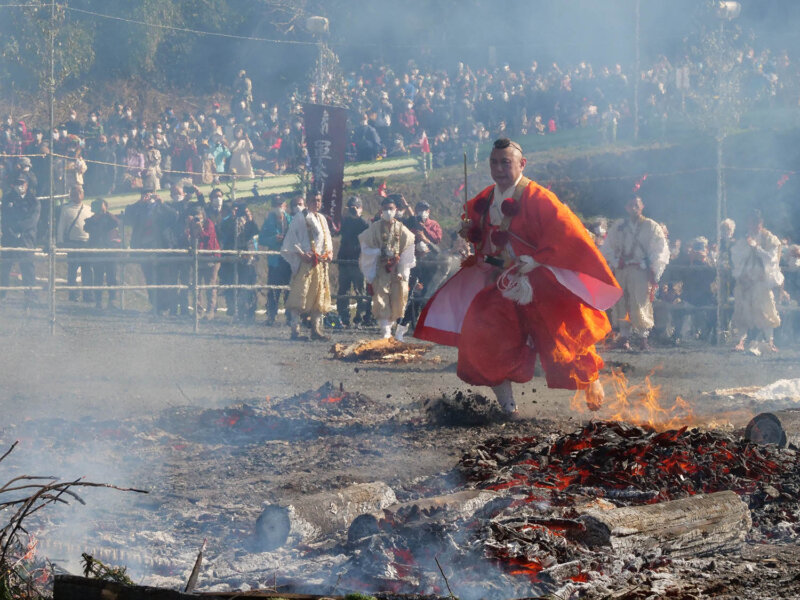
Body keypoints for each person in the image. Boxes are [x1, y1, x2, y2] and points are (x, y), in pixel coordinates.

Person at [414, 138, 621, 417]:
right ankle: (507, 406)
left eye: (505, 162)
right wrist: (469, 230)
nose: (498, 168)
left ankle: (591, 382)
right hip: (501, 282)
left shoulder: (540, 199)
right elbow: (478, 230)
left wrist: (536, 260)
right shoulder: (485, 199)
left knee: (563, 341)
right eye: (494, 162)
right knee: (484, 336)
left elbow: (568, 234)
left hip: (539, 283)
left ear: (522, 164)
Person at [602, 196, 670, 350]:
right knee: (622, 303)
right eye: (630, 205)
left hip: (640, 270)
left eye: (636, 205)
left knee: (640, 303)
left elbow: (660, 249)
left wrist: (650, 265)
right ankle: (624, 337)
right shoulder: (619, 226)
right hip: (622, 270)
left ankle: (643, 339)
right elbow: (607, 247)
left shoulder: (651, 226)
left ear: (642, 207)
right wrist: (614, 260)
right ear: (626, 207)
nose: (634, 208)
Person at [358, 195, 416, 340]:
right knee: (381, 297)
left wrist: (403, 268)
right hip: (381, 269)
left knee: (397, 298)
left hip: (397, 270)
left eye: (391, 209)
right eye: (385, 209)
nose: (388, 212)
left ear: (396, 210)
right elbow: (365, 247)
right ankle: (385, 331)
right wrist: (378, 252)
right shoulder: (374, 228)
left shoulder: (402, 228)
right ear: (380, 211)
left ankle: (395, 331)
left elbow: (409, 247)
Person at [281, 191, 333, 340]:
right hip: (306, 262)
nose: (316, 203)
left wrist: (329, 252)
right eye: (312, 200)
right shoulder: (300, 217)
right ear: (307, 201)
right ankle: (295, 330)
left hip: (320, 263)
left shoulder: (322, 218)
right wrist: (300, 254)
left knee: (319, 297)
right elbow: (291, 239)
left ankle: (315, 330)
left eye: (318, 200)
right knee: (299, 295)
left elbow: (327, 238)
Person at [732, 209, 783, 355]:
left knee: (766, 310)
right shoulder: (744, 239)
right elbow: (737, 257)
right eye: (750, 222)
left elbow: (771, 258)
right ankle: (740, 341)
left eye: (756, 222)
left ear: (761, 223)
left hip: (761, 281)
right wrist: (742, 274)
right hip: (746, 280)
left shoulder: (770, 239)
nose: (753, 225)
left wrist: (756, 247)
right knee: (743, 310)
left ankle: (770, 342)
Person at [398, 200, 443, 339]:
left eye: (425, 209)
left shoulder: (434, 225)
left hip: (429, 263)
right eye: (420, 209)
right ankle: (406, 322)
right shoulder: (411, 222)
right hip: (413, 260)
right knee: (409, 290)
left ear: (428, 211)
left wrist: (425, 232)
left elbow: (438, 240)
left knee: (424, 292)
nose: (422, 211)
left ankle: (424, 322)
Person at [0, 176, 40, 306]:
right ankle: (2, 294)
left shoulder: (33, 201)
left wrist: (19, 229)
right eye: (17, 183)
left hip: (26, 239)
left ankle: (30, 296)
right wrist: (10, 231)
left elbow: (32, 220)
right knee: (4, 268)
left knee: (28, 269)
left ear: (27, 184)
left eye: (22, 183)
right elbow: (4, 217)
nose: (19, 185)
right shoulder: (7, 198)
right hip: (9, 238)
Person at [336, 195, 372, 329]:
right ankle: (344, 318)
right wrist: (343, 215)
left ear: (361, 208)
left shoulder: (364, 221)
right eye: (351, 207)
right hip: (344, 260)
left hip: (359, 261)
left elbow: (369, 230)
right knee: (343, 291)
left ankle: (359, 318)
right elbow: (335, 229)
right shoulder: (344, 221)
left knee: (360, 291)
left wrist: (357, 216)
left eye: (356, 207)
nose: (353, 210)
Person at [258, 194, 293, 325]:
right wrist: (274, 239)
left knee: (289, 289)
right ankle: (271, 316)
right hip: (274, 260)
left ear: (285, 206)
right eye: (275, 206)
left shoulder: (291, 220)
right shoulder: (268, 222)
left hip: (289, 259)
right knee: (273, 289)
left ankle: (290, 316)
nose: (278, 208)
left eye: (280, 205)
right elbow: (261, 239)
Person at [57, 185, 94, 302]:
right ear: (71, 195)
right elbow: (61, 226)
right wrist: (60, 241)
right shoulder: (66, 209)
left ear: (83, 194)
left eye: (79, 192)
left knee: (87, 271)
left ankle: (88, 295)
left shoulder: (88, 209)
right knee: (72, 271)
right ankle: (73, 295)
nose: (77, 194)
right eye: (74, 193)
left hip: (86, 243)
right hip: (73, 243)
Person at [83, 198, 121, 309]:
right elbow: (87, 227)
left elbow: (116, 222)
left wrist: (106, 212)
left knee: (112, 277)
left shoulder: (109, 219)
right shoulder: (91, 220)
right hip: (97, 252)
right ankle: (98, 301)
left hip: (110, 251)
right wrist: (96, 217)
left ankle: (112, 300)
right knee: (98, 277)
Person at [185, 203, 221, 319]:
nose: (197, 219)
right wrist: (190, 227)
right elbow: (189, 239)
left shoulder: (209, 224)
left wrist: (200, 229)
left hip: (211, 257)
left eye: (199, 216)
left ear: (203, 216)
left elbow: (208, 240)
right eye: (195, 216)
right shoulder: (191, 225)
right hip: (198, 258)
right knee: (197, 286)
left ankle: (211, 310)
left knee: (210, 285)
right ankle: (198, 310)